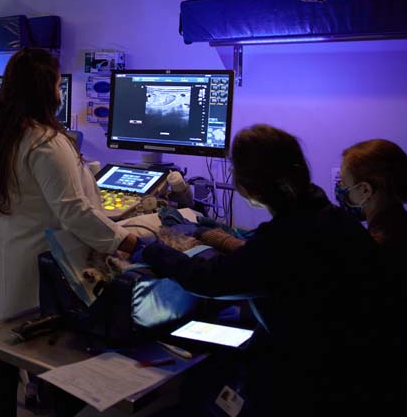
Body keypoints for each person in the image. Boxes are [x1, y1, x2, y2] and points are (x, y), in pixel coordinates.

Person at [138, 125, 389, 417]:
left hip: (310, 383)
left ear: (248, 186)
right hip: (353, 370)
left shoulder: (285, 239)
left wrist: (149, 249)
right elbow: (265, 260)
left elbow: (208, 279)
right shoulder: (332, 218)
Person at [0, 48, 138, 416]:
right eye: (58, 84)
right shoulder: (46, 141)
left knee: (3, 352)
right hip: (28, 260)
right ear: (47, 90)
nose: (61, 93)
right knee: (46, 356)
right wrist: (126, 239)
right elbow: (73, 211)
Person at [336, 139, 407, 414]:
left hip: (378, 388)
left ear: (364, 191)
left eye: (344, 183)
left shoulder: (374, 249)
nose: (341, 191)